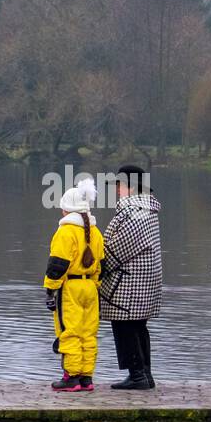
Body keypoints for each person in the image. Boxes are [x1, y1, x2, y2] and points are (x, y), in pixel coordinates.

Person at [99, 165, 162, 390]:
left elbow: (119, 248)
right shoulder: (146, 209)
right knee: (138, 326)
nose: (116, 189)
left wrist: (99, 266)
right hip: (144, 279)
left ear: (131, 187)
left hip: (129, 281)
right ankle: (145, 373)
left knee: (125, 327)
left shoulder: (134, 210)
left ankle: (138, 376)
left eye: (119, 185)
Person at [45, 185, 104, 391]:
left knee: (69, 332)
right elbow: (101, 265)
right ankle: (86, 377)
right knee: (88, 333)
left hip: (70, 287)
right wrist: (94, 284)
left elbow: (57, 265)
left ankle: (71, 377)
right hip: (90, 287)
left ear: (65, 210)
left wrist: (50, 290)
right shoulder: (95, 232)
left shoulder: (65, 231)